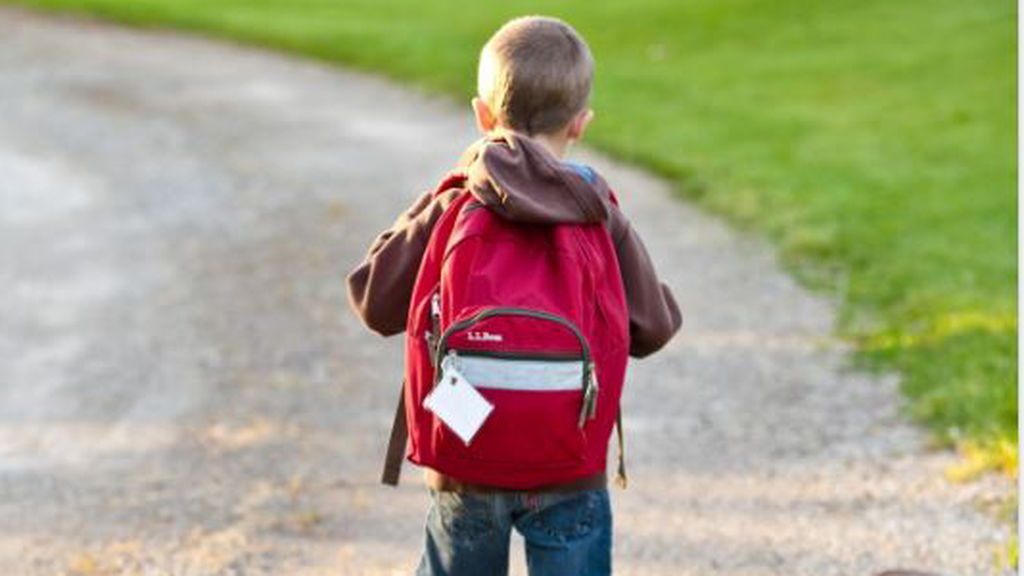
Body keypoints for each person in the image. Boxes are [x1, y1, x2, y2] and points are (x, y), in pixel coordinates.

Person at [347, 15, 681, 576]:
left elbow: (374, 299)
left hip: (465, 457)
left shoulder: (457, 203)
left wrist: (443, 191)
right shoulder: (598, 210)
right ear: (580, 123)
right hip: (567, 463)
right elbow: (653, 329)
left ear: (482, 115)